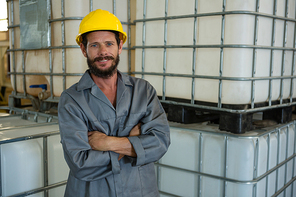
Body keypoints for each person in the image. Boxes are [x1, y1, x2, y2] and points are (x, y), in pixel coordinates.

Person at [58, 9, 170, 197]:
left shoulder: (143, 91)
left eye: (109, 44)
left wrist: (108, 142)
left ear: (120, 46)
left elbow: (160, 142)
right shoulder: (71, 100)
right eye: (95, 45)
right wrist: (132, 143)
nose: (103, 52)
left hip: (140, 191)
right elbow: (81, 164)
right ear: (84, 49)